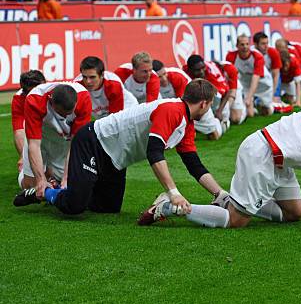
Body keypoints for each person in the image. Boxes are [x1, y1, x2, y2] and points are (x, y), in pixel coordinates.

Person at [138, 84, 301, 229]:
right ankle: (169, 208)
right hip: (265, 153)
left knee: (294, 213)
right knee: (236, 221)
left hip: (279, 157)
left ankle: (231, 201)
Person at [14, 80, 229, 218]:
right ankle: (46, 192)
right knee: (74, 206)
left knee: (107, 208)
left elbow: (194, 164)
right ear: (204, 103)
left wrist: (219, 194)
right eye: (210, 105)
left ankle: (69, 192)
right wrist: (173, 193)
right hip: (94, 142)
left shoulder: (185, 123)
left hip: (116, 158)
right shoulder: (172, 110)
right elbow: (154, 153)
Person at [17, 82, 92, 196]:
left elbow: (75, 143)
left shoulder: (84, 98)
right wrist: (40, 180)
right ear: (51, 101)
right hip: (40, 137)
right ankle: (29, 171)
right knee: (31, 185)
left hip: (63, 141)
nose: (66, 118)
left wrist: (66, 178)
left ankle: (51, 176)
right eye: (62, 114)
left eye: (69, 113)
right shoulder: (34, 99)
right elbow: (34, 144)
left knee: (72, 182)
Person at [154, 59, 225, 141]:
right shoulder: (150, 82)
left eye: (164, 74)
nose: (164, 79)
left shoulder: (177, 76)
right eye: (159, 77)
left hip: (195, 106)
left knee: (214, 136)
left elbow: (183, 104)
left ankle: (218, 122)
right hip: (176, 110)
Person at [184, 55, 245, 126]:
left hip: (229, 86)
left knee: (235, 119)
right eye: (197, 70)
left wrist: (219, 111)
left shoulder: (212, 74)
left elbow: (227, 92)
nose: (201, 72)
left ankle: (244, 108)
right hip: (215, 88)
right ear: (190, 69)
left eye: (203, 68)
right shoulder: (184, 73)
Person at [225, 34, 274, 117]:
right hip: (246, 84)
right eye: (242, 44)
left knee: (267, 112)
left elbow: (256, 78)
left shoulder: (257, 56)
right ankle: (252, 104)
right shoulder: (231, 56)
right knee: (250, 114)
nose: (245, 47)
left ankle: (271, 105)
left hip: (263, 84)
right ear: (237, 46)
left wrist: (249, 97)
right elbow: (229, 75)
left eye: (247, 44)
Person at [11, 70, 46, 171]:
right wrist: (23, 156)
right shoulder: (19, 99)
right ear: (24, 92)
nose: (37, 94)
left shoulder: (56, 93)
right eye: (32, 92)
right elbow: (19, 129)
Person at [252, 32, 281, 99]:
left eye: (267, 43)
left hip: (270, 77)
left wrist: (273, 94)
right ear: (255, 44)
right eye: (263, 44)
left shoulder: (273, 53)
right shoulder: (250, 54)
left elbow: (276, 75)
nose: (266, 46)